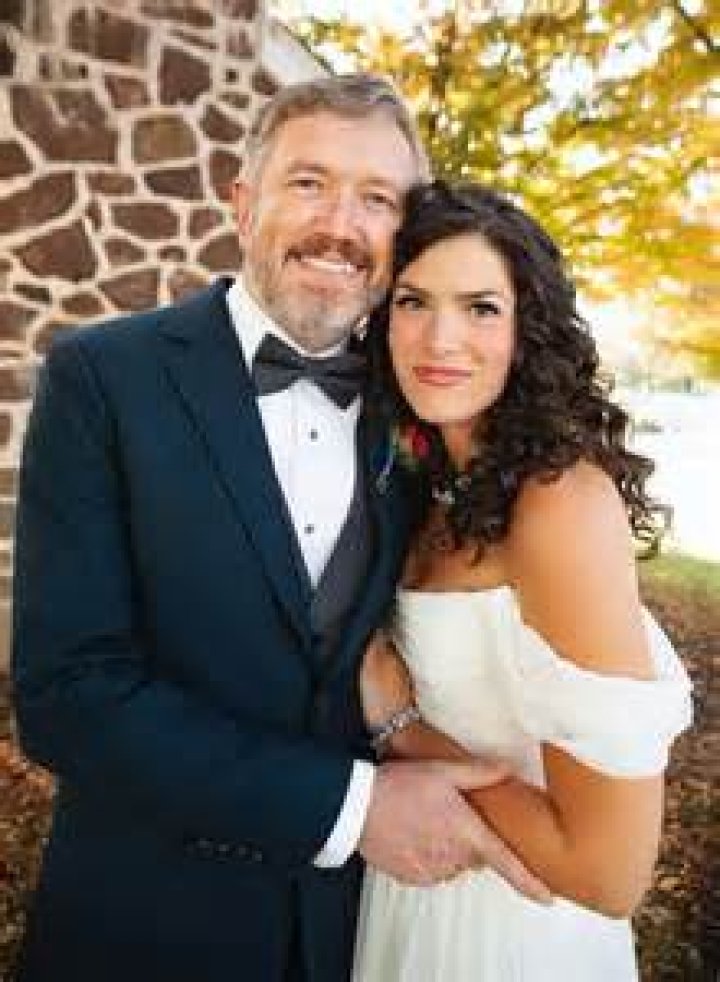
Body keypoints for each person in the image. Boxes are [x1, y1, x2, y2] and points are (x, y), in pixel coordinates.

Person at [10, 77, 548, 982]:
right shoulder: (101, 378)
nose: (340, 224)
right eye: (309, 183)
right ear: (242, 201)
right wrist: (351, 808)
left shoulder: (425, 398)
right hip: (139, 926)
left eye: (377, 199)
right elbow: (68, 695)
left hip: (357, 936)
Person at [351, 180, 693, 981]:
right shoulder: (430, 489)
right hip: (409, 901)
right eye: (413, 301)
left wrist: (403, 731)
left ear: (527, 330)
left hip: (512, 933)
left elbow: (609, 872)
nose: (441, 338)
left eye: (481, 308)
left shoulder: (559, 505)